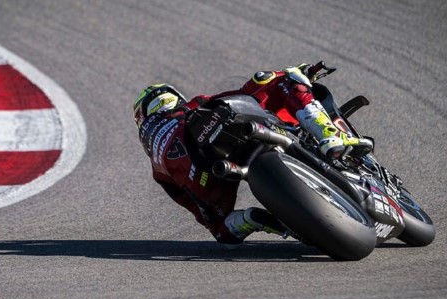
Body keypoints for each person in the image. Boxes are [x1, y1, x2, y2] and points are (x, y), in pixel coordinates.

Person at [133, 63, 374, 248]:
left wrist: (214, 219)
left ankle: (252, 219)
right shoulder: (189, 107)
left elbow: (196, 209)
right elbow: (238, 97)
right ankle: (328, 134)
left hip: (205, 176)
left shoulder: (157, 167)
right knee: (278, 78)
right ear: (170, 98)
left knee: (219, 231)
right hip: (228, 129)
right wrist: (304, 73)